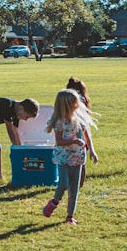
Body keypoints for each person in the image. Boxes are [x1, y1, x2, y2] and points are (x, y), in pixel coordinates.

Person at [42, 89, 98, 225]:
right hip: (63, 157)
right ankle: (54, 202)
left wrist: (92, 151)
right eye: (74, 103)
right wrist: (74, 141)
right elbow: (59, 141)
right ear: (66, 105)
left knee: (74, 188)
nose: (77, 105)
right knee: (63, 184)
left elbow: (87, 136)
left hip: (78, 157)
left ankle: (69, 216)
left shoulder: (79, 119)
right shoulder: (59, 122)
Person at [66, 76, 92, 187]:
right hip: (82, 139)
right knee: (81, 163)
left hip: (71, 137)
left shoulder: (69, 102)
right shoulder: (85, 102)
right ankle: (78, 185)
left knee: (69, 163)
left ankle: (73, 184)